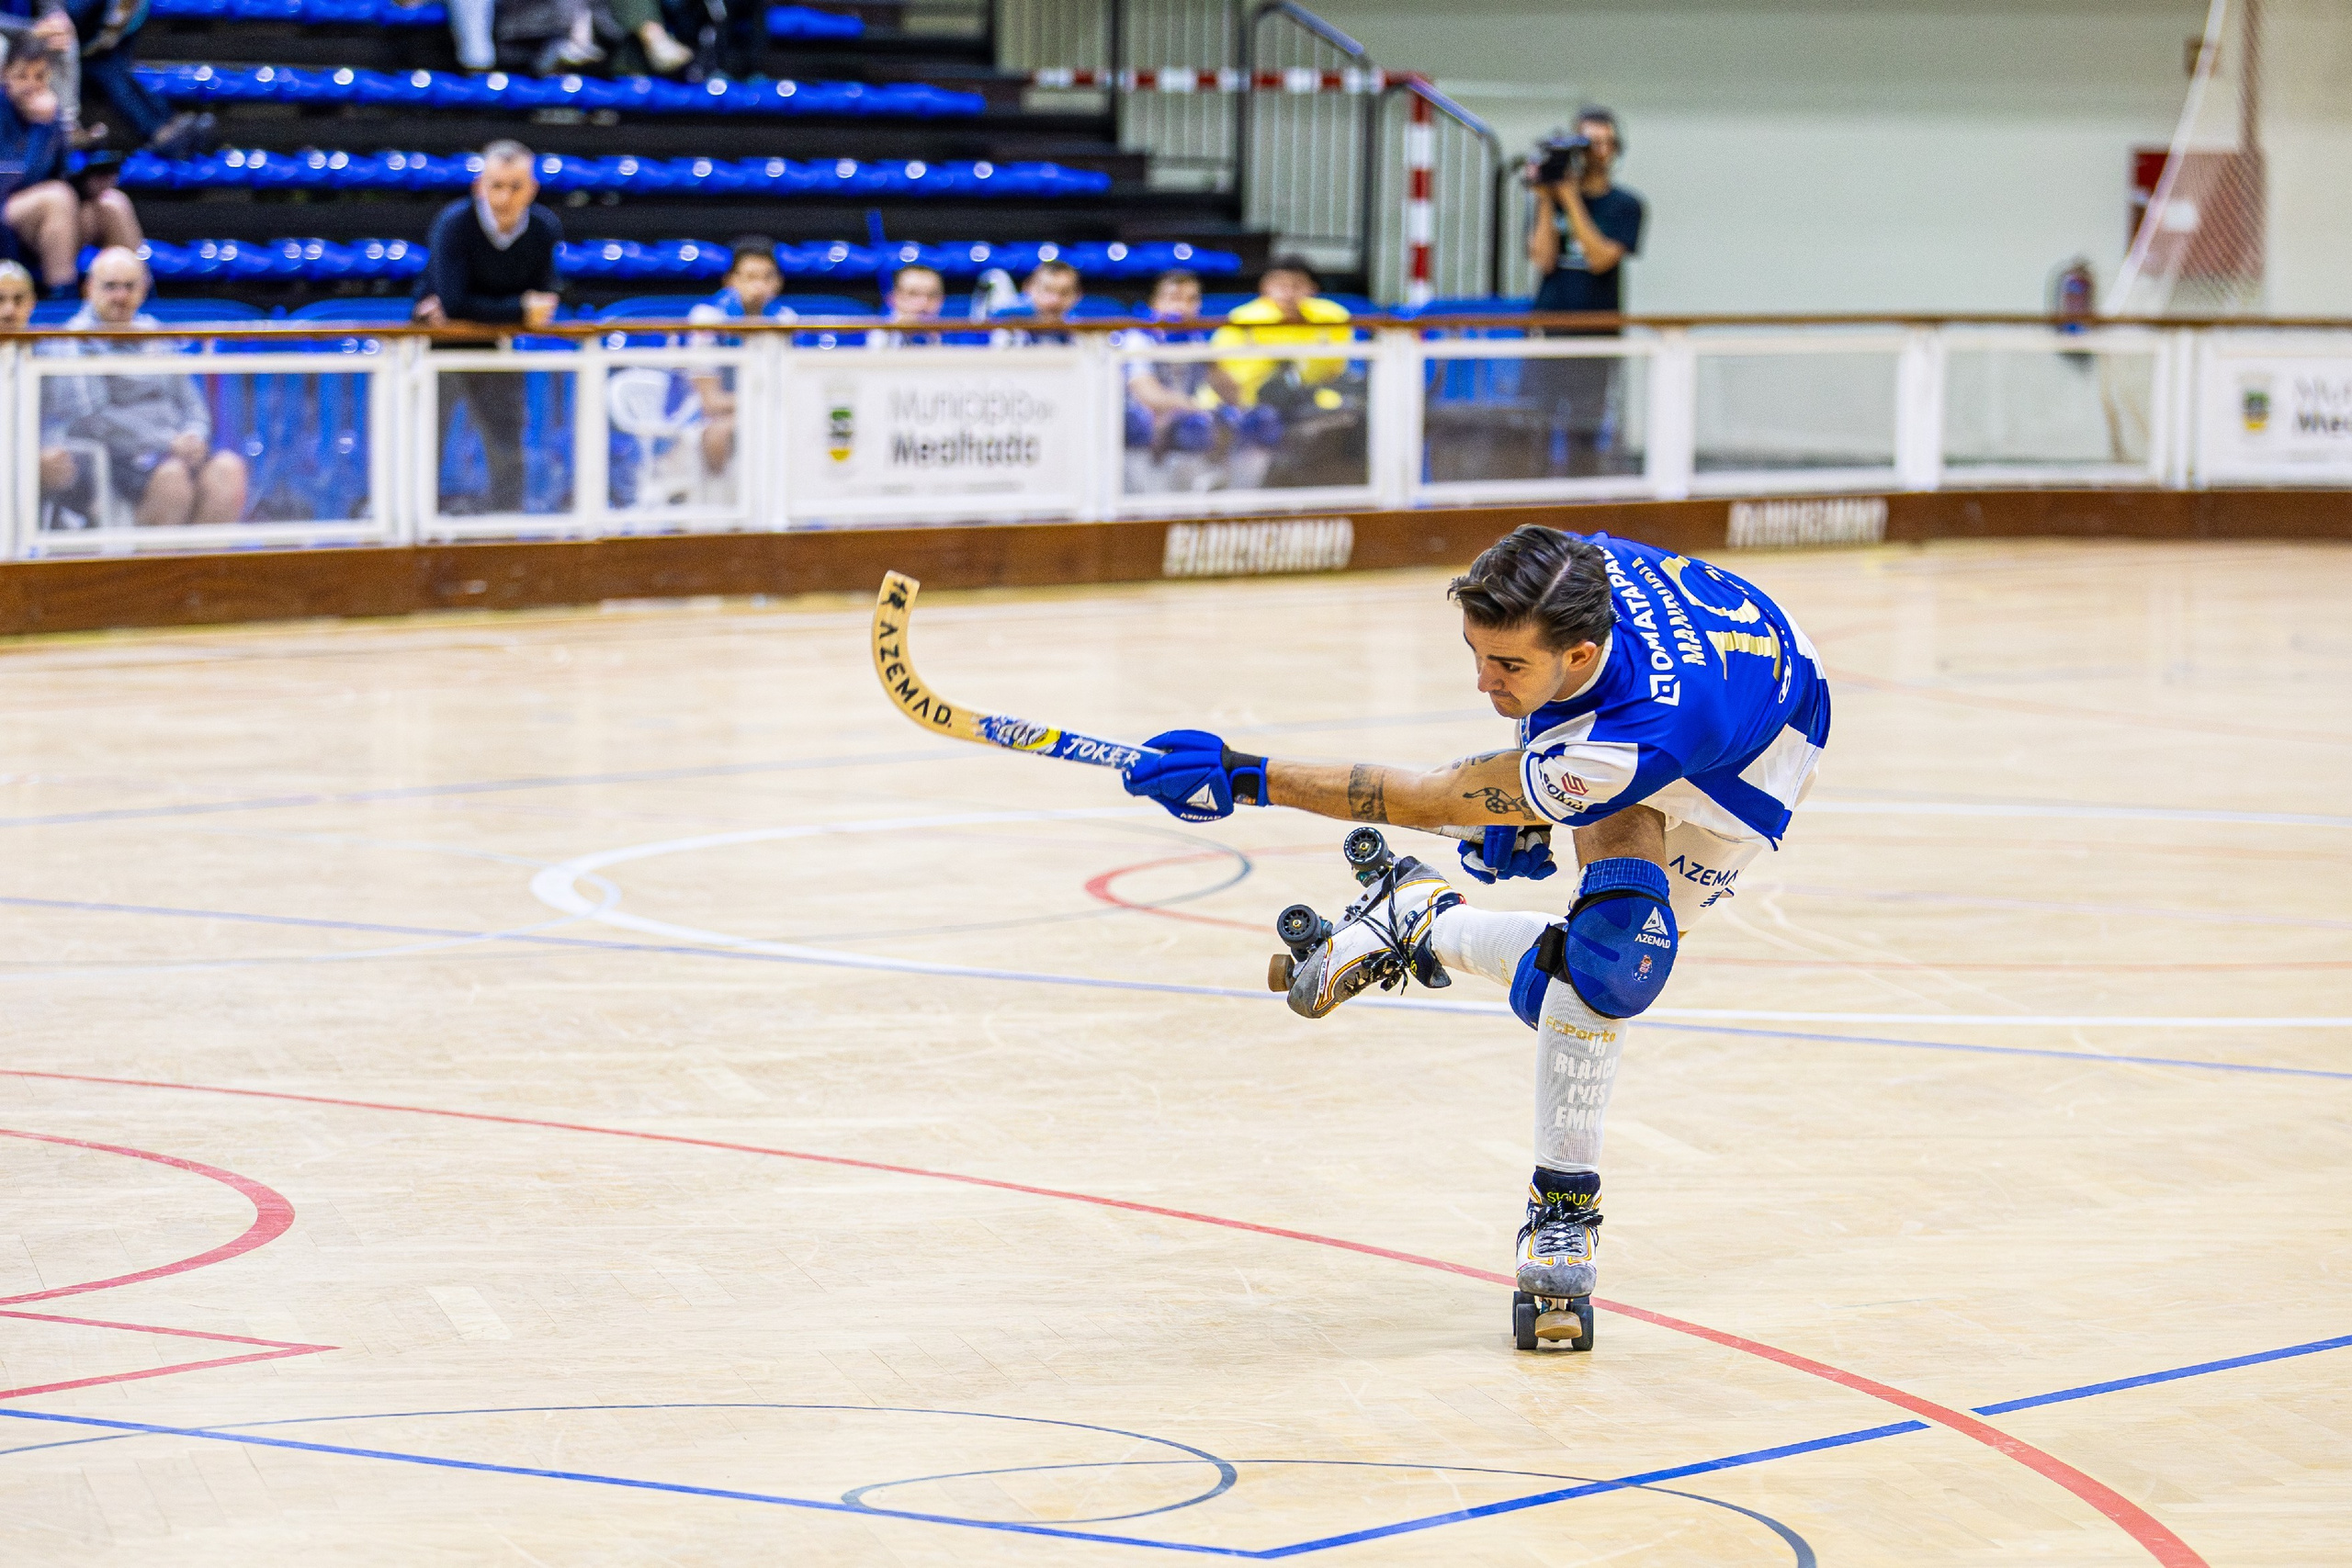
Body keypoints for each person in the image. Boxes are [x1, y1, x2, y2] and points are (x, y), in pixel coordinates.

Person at [1119, 525, 1830, 1337]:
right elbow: (1546, 716)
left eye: (1507, 666)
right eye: (1477, 652)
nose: (1483, 680)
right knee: (1610, 959)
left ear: (1579, 653)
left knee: (1612, 967)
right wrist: (1524, 787)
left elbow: (1427, 798)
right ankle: (1563, 1208)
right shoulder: (1569, 567)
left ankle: (1424, 921)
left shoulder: (1624, 739)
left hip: (1751, 756)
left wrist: (1248, 775)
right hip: (1692, 698)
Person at [39, 244, 248, 525]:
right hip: (111, 458)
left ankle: (203, 556)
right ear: (89, 289)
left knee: (227, 470)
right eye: (110, 286)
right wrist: (167, 442)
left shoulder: (155, 333)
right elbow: (91, 419)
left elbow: (191, 403)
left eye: (129, 286)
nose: (120, 296)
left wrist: (194, 436)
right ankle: (150, 555)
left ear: (143, 289)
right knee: (172, 479)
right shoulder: (72, 341)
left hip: (171, 450)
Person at [414, 140, 564, 515]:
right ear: (479, 186)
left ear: (532, 189)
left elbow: (546, 298)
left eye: (516, 186)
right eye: (496, 186)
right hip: (438, 347)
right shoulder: (454, 224)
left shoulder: (543, 228)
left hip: (497, 347)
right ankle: (418, 522)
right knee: (425, 440)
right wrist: (518, 309)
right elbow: (454, 302)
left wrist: (488, 312)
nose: (505, 197)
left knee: (506, 443)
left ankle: (506, 524)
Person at [1525, 107, 1645, 476]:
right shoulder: (1551, 200)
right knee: (1536, 427)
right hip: (1548, 327)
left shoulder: (1626, 205)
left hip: (1596, 333)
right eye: (1588, 144)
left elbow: (1599, 259)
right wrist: (1548, 199)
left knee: (1585, 431)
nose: (1596, 153)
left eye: (1605, 143)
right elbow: (1542, 259)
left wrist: (1572, 200)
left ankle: (1583, 499)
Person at [0, 42, 131, 291]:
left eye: (39, 76)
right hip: (7, 211)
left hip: (52, 218)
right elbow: (12, 177)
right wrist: (41, 128)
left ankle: (139, 298)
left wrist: (88, 186)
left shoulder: (52, 113)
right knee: (57, 197)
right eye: (22, 76)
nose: (31, 85)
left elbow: (60, 173)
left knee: (112, 204)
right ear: (5, 75)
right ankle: (63, 300)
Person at [684, 237, 786, 475]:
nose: (759, 286)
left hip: (761, 411)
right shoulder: (707, 319)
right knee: (722, 431)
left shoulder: (785, 320)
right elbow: (710, 401)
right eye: (750, 277)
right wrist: (760, 405)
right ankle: (718, 496)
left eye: (767, 277)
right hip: (700, 418)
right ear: (731, 281)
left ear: (778, 282)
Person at [62, 0, 210, 155]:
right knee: (108, 71)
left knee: (113, 69)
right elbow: (67, 21)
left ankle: (165, 124)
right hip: (66, 63)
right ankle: (161, 129)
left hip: (91, 56)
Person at [991, 258, 1080, 345]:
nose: (1055, 300)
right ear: (1029, 288)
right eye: (1047, 290)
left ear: (1077, 294)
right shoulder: (1006, 318)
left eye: (1064, 292)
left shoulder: (1079, 323)